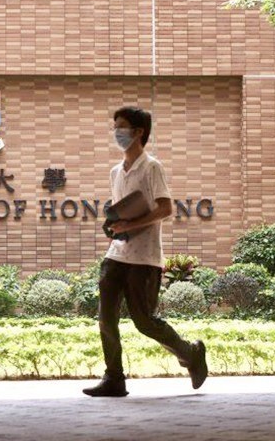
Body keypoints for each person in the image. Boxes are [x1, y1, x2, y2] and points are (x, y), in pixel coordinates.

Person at [83, 106, 208, 398]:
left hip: (144, 258)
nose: (117, 132)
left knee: (145, 322)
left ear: (139, 132)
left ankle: (191, 353)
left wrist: (131, 223)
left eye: (122, 127)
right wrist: (114, 224)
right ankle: (114, 378)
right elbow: (123, 210)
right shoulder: (116, 171)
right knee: (106, 318)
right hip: (116, 254)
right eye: (114, 127)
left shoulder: (152, 167)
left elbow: (165, 209)